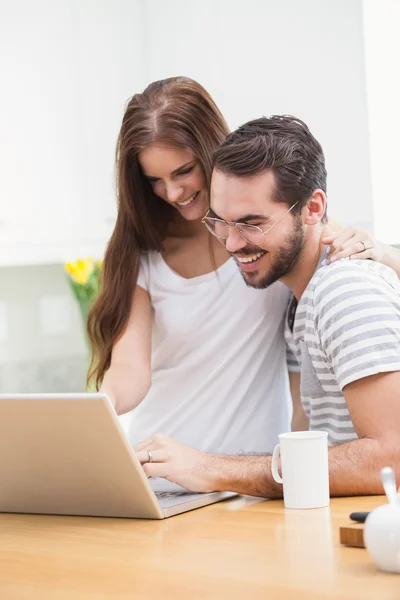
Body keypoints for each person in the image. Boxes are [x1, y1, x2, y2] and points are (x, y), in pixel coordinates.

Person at [88, 76, 398, 464]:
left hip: (247, 471)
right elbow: (130, 368)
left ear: (208, 153)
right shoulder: (142, 252)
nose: (172, 193)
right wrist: (100, 407)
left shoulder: (281, 231)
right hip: (163, 461)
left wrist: (382, 251)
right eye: (154, 180)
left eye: (183, 171)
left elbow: (343, 250)